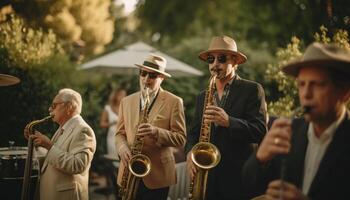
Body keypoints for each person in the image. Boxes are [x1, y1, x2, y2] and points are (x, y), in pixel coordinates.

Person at [242, 42, 350, 200]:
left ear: (345, 93)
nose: (306, 94)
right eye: (301, 84)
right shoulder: (290, 131)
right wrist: (260, 158)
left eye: (317, 84)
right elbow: (250, 186)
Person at [185, 35, 267, 200]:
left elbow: (261, 131)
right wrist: (189, 153)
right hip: (207, 178)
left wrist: (229, 122)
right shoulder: (203, 96)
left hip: (238, 179)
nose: (215, 64)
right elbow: (193, 133)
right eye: (211, 59)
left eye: (221, 58)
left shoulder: (252, 89)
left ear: (235, 62)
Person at [115, 54, 187, 200]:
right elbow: (119, 134)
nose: (146, 79)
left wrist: (156, 132)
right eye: (143, 73)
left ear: (162, 78)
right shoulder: (126, 101)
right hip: (129, 171)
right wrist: (122, 147)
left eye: (153, 75)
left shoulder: (174, 102)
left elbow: (181, 139)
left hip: (158, 175)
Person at [24, 88, 96, 200]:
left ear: (69, 107)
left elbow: (78, 165)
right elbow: (54, 158)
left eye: (54, 105)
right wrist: (38, 143)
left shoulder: (83, 130)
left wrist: (49, 145)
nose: (49, 109)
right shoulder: (63, 128)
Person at [100, 88, 127, 157]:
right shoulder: (108, 108)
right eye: (121, 95)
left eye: (124, 95)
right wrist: (113, 123)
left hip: (124, 137)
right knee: (114, 158)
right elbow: (102, 124)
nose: (123, 97)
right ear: (115, 96)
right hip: (112, 137)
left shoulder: (126, 108)